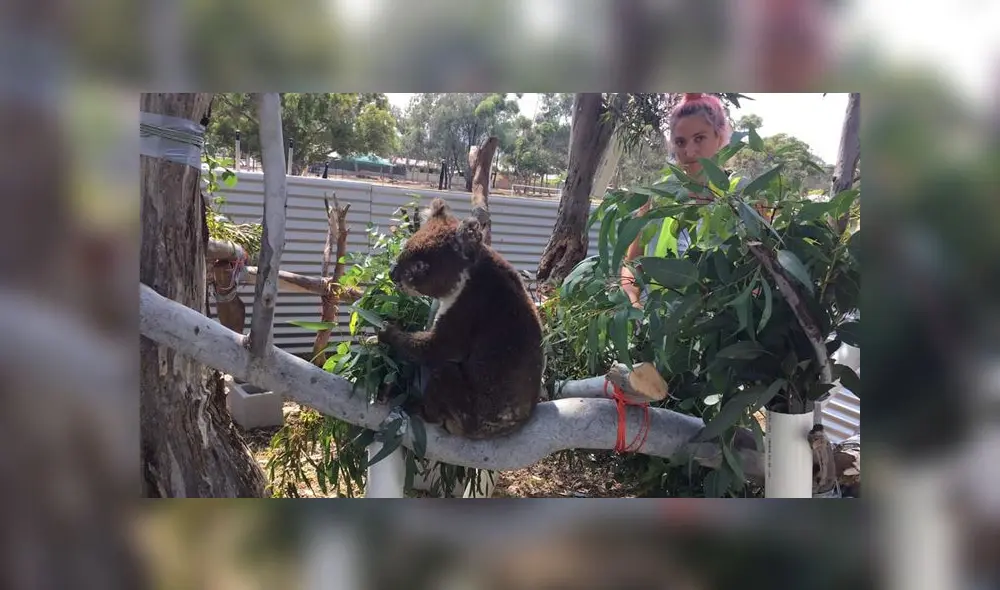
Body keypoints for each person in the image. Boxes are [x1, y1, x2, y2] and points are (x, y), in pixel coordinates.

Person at [619, 93, 734, 308]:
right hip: (661, 319)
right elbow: (632, 265)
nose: (689, 151)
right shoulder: (657, 197)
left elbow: (758, 275)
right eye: (680, 142)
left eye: (699, 138)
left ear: (719, 137)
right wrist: (634, 302)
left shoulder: (740, 199)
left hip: (721, 321)